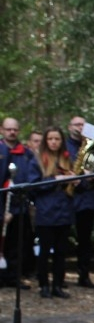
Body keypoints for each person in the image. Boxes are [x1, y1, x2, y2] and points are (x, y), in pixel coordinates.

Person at [28, 126, 77, 299]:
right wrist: (55, 179)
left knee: (61, 253)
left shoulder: (67, 159)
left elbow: (74, 187)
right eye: (50, 139)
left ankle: (58, 285)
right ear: (45, 141)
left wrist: (76, 181)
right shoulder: (37, 161)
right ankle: (43, 285)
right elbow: (33, 187)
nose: (54, 142)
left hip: (64, 212)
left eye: (57, 139)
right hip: (46, 213)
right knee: (44, 252)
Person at [66, 115, 94, 288]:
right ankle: (58, 277)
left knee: (85, 240)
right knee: (61, 239)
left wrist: (92, 177)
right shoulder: (63, 146)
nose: (79, 127)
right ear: (69, 127)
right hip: (66, 199)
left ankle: (83, 276)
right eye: (76, 124)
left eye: (83, 125)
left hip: (87, 201)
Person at [1, 117, 35, 289]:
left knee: (17, 245)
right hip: (2, 206)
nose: (12, 132)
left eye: (14, 129)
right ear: (2, 130)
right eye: (8, 129)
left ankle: (14, 276)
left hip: (18, 206)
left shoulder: (26, 153)